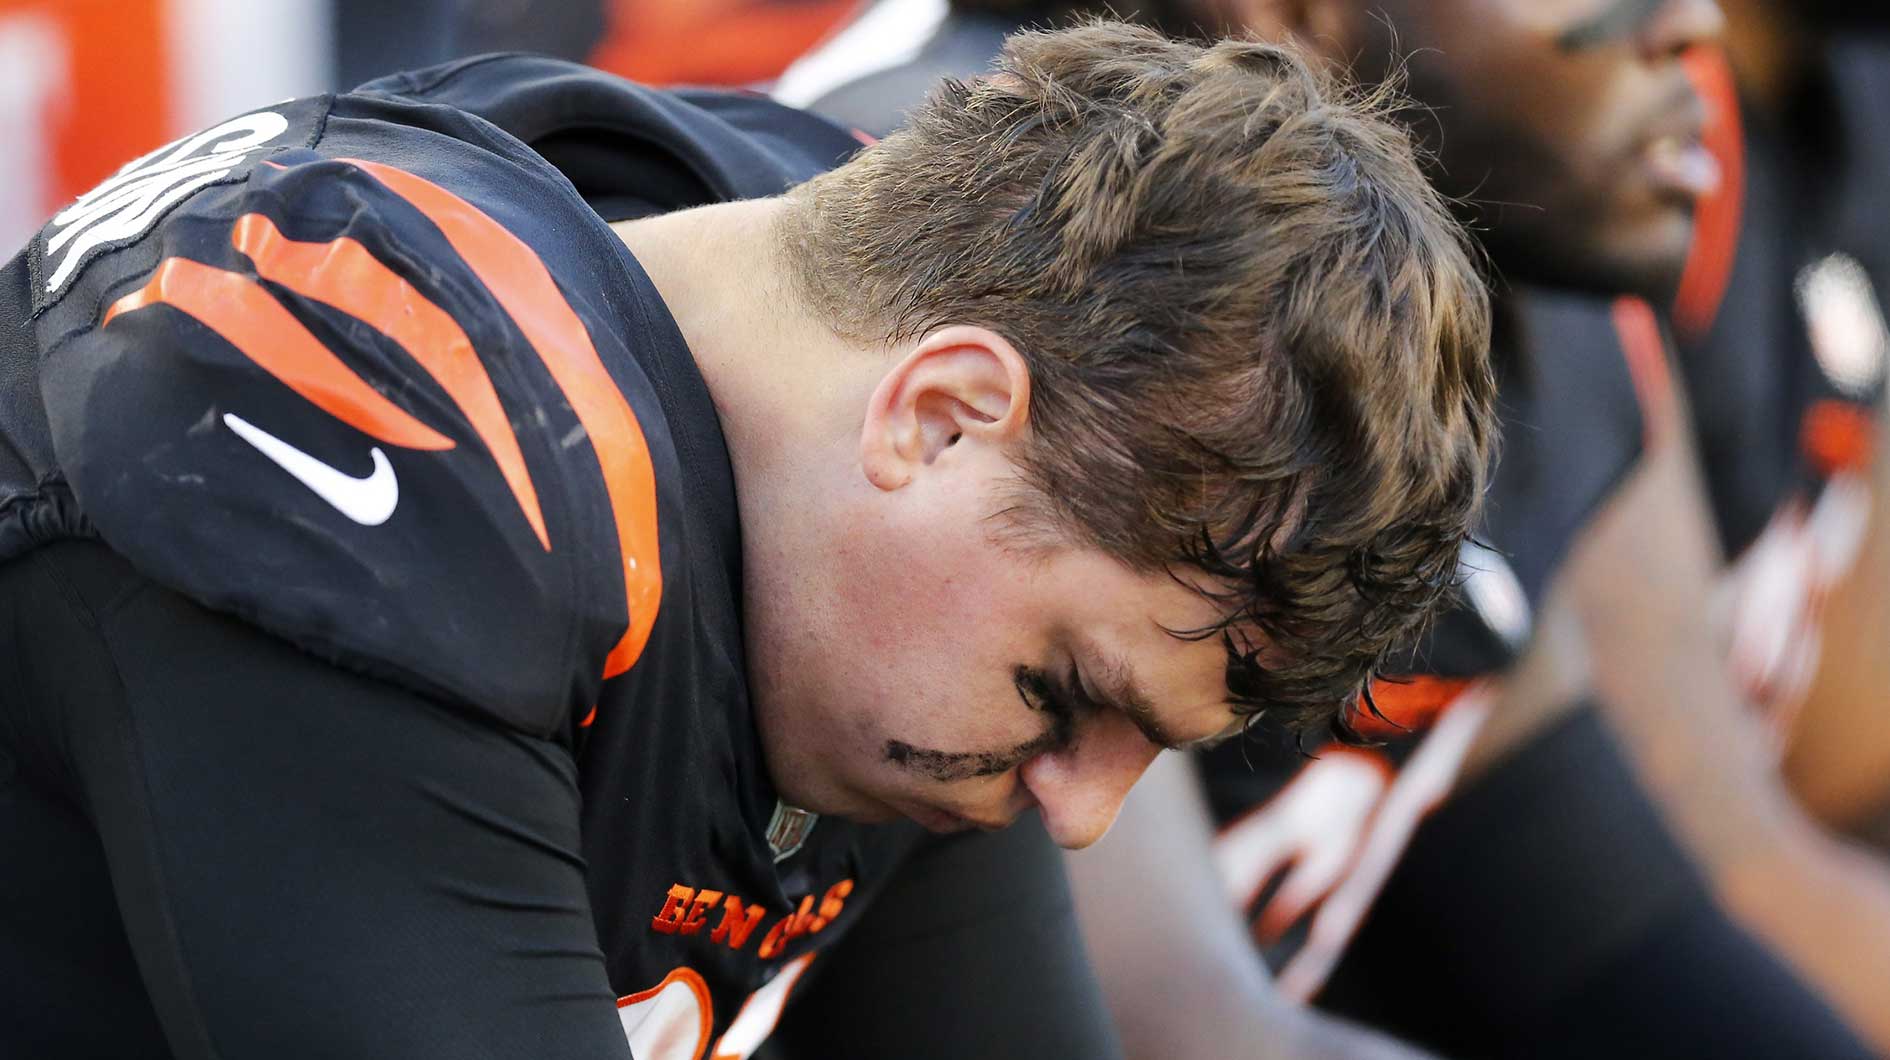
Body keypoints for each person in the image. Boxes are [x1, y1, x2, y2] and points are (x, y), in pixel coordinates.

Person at [0, 24, 1496, 1060]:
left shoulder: (838, 472)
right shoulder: (363, 386)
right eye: (1069, 693)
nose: (1081, 809)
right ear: (941, 415)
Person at [788, 0, 1887, 1055]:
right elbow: (1159, 1025)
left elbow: (1612, 942)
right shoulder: (1052, 227)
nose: (1692, 25)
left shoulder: (1519, 299)